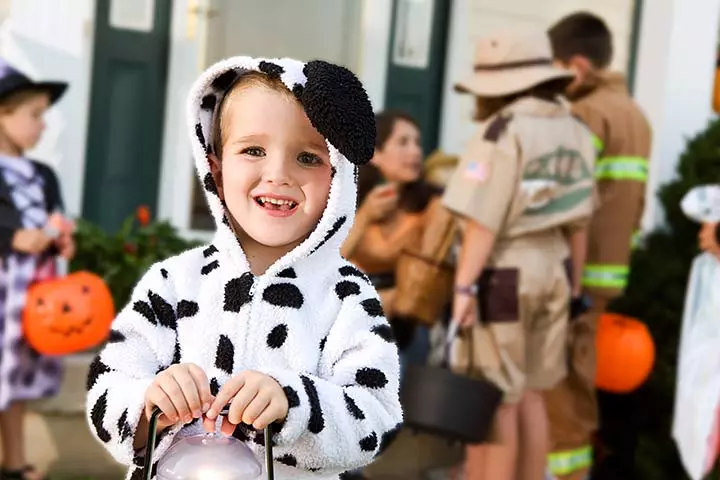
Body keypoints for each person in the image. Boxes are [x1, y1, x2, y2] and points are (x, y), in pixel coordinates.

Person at [84, 58, 403, 480]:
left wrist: (295, 402)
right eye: (253, 150)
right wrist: (148, 400)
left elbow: (375, 417)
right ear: (215, 167)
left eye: (307, 157)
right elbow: (108, 386)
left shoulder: (346, 295)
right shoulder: (175, 283)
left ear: (339, 178)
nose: (278, 174)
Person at [444, 29, 596, 480]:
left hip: (504, 272)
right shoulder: (576, 128)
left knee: (498, 401)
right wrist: (574, 286)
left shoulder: (503, 129)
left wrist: (464, 287)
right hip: (557, 266)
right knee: (533, 394)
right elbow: (581, 222)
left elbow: (481, 221)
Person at [545, 12, 652, 480]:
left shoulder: (587, 114)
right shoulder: (633, 113)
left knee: (561, 389)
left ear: (578, 66)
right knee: (579, 381)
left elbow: (568, 202)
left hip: (573, 273)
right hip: (606, 274)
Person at [0, 60, 74, 480]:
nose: (42, 126)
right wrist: (11, 237)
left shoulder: (42, 175)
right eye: (34, 115)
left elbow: (54, 221)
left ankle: (13, 464)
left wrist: (62, 238)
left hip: (29, 293)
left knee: (12, 382)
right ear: (2, 115)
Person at [342, 110, 439, 365]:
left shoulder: (430, 205)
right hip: (352, 322)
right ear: (376, 153)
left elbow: (433, 271)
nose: (416, 152)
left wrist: (386, 301)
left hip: (406, 321)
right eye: (403, 142)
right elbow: (330, 261)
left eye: (418, 143)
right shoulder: (348, 198)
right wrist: (364, 217)